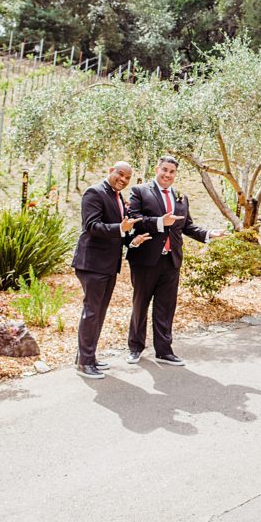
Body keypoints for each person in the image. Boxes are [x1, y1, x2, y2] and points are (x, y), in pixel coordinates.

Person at [126, 156, 224, 366]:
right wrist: (160, 222)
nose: (168, 175)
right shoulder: (140, 191)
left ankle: (164, 351)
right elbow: (134, 219)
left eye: (172, 171)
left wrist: (209, 234)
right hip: (145, 259)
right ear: (157, 169)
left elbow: (187, 226)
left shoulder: (181, 197)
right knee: (140, 304)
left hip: (171, 260)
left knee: (166, 307)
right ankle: (135, 347)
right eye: (165, 170)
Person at [72, 161, 151, 379]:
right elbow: (92, 226)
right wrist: (120, 228)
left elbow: (119, 233)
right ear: (111, 171)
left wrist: (133, 241)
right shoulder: (94, 193)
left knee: (99, 312)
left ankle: (86, 356)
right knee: (92, 312)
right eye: (120, 174)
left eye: (127, 177)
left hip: (108, 265)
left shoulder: (117, 198)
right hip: (92, 263)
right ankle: (85, 363)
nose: (123, 179)